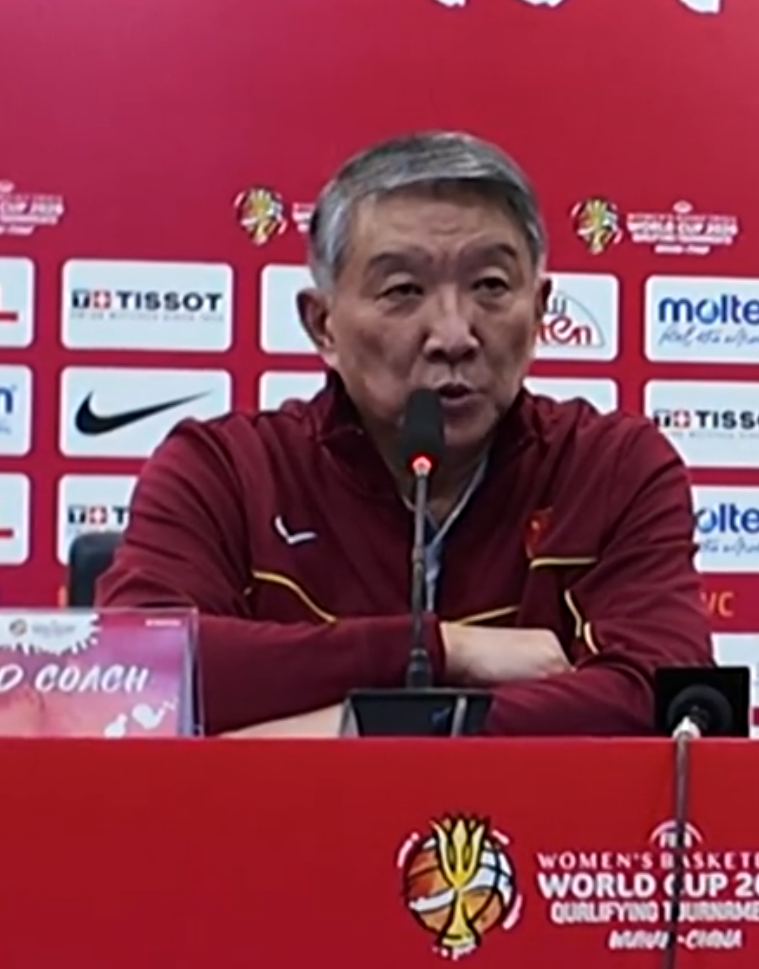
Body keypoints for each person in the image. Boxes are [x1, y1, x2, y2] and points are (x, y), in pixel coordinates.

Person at [96, 130, 714, 735]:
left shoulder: (612, 467)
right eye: (403, 291)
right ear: (323, 325)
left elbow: (673, 700)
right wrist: (441, 649)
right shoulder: (227, 470)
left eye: (491, 286)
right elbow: (135, 676)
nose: (454, 335)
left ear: (539, 310)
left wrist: (365, 728)